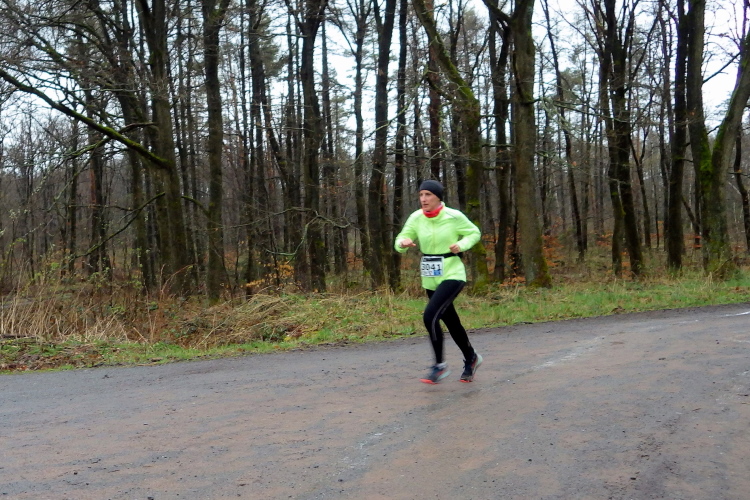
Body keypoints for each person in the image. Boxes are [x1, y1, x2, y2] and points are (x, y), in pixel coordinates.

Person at [394, 180, 483, 384]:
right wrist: (402, 243)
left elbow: (474, 233)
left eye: (428, 195)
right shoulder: (416, 217)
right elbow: (401, 238)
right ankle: (471, 357)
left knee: (430, 316)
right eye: (421, 195)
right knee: (450, 321)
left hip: (452, 272)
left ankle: (439, 366)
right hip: (430, 275)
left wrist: (461, 245)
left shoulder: (453, 216)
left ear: (438, 197)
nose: (423, 199)